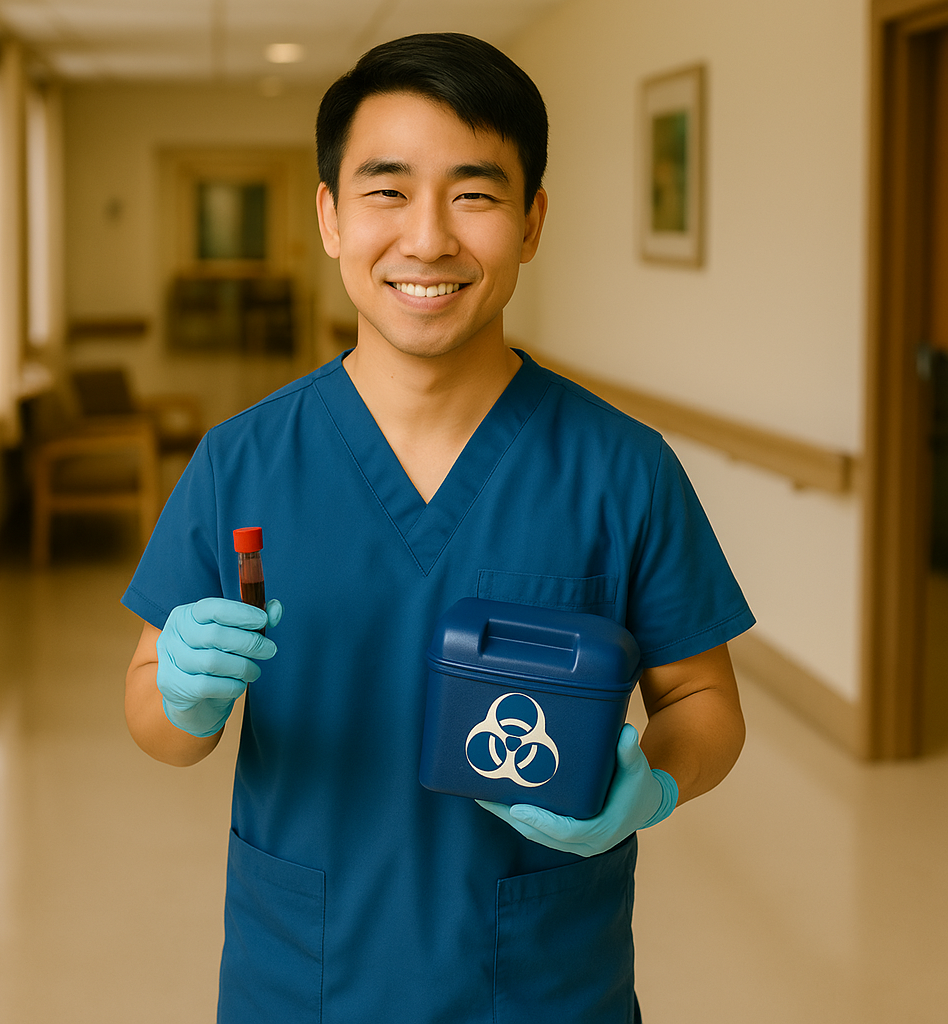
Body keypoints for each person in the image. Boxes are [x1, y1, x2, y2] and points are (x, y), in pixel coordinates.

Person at [123, 32, 754, 1023]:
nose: (427, 239)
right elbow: (152, 712)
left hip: (544, 985)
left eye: (474, 193)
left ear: (532, 220)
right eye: (385, 190)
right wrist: (182, 701)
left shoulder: (622, 468)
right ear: (328, 215)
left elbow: (706, 700)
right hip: (304, 981)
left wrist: (657, 781)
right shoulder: (240, 461)